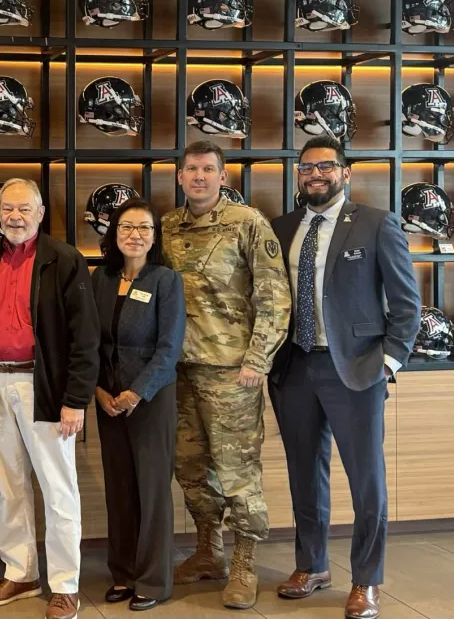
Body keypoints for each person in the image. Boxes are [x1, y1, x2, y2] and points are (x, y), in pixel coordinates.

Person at [269, 135, 420, 619]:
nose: (316, 175)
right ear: (298, 175)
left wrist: (388, 364)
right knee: (304, 474)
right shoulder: (283, 227)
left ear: (345, 172)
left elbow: (407, 305)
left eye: (326, 167)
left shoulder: (377, 224)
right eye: (307, 167)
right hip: (295, 366)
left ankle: (366, 580)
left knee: (366, 480)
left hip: (355, 369)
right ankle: (312, 564)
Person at [0, 178, 100, 619]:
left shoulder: (64, 260)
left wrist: (75, 399)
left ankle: (65, 584)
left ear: (40, 213)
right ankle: (20, 572)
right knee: (10, 486)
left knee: (58, 491)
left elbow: (85, 337)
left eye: (24, 209)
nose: (15, 217)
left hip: (46, 389)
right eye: (7, 210)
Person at [161, 140, 291, 609]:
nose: (199, 177)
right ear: (179, 177)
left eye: (208, 169)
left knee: (238, 473)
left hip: (232, 373)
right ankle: (208, 550)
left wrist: (258, 360)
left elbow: (275, 296)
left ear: (222, 176)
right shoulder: (168, 226)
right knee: (191, 469)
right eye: (191, 169)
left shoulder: (247, 223)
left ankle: (245, 563)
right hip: (179, 371)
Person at [91, 198, 185, 612]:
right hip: (106, 399)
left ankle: (153, 580)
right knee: (121, 491)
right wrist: (98, 390)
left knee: (151, 491)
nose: (135, 235)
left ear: (155, 236)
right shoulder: (101, 278)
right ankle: (123, 573)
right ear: (114, 233)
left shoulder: (165, 280)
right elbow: (89, 341)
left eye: (145, 228)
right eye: (127, 227)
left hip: (150, 399)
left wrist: (136, 392)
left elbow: (169, 348)